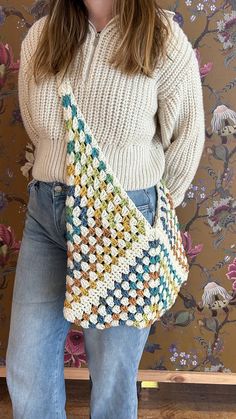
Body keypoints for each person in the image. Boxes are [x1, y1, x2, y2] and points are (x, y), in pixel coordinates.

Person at [6, 0, 205, 418]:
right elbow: (37, 123)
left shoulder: (162, 38)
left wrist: (152, 212)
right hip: (48, 212)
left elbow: (187, 136)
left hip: (123, 222)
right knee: (27, 364)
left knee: (113, 374)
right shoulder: (42, 34)